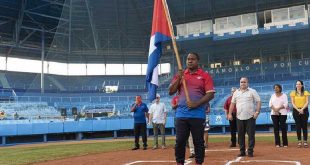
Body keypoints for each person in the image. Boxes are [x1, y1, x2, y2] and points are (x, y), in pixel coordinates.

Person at [169, 52, 215, 165]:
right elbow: (171, 91)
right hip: (181, 115)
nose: (190, 61)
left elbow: (210, 94)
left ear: (197, 61)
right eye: (188, 59)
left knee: (198, 142)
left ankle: (199, 163)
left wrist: (196, 104)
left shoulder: (204, 75)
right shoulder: (181, 75)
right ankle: (179, 162)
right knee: (179, 142)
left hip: (197, 115)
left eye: (192, 59)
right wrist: (179, 78)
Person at [228, 77, 261, 157]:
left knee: (251, 135)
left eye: (244, 82)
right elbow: (232, 104)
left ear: (247, 83)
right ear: (239, 83)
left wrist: (257, 112)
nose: (243, 83)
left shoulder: (252, 91)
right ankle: (242, 151)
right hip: (239, 117)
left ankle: (250, 151)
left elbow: (259, 101)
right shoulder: (236, 92)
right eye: (241, 82)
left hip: (250, 117)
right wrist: (229, 114)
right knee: (240, 136)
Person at [290, 80, 309, 148]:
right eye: (297, 84)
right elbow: (292, 103)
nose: (298, 85)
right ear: (295, 85)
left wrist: (302, 109)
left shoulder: (306, 92)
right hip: (296, 110)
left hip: (304, 110)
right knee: (298, 126)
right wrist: (298, 109)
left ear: (302, 85)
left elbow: (307, 102)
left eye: (299, 84)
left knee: (304, 126)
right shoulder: (293, 93)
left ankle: (305, 141)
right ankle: (299, 141)